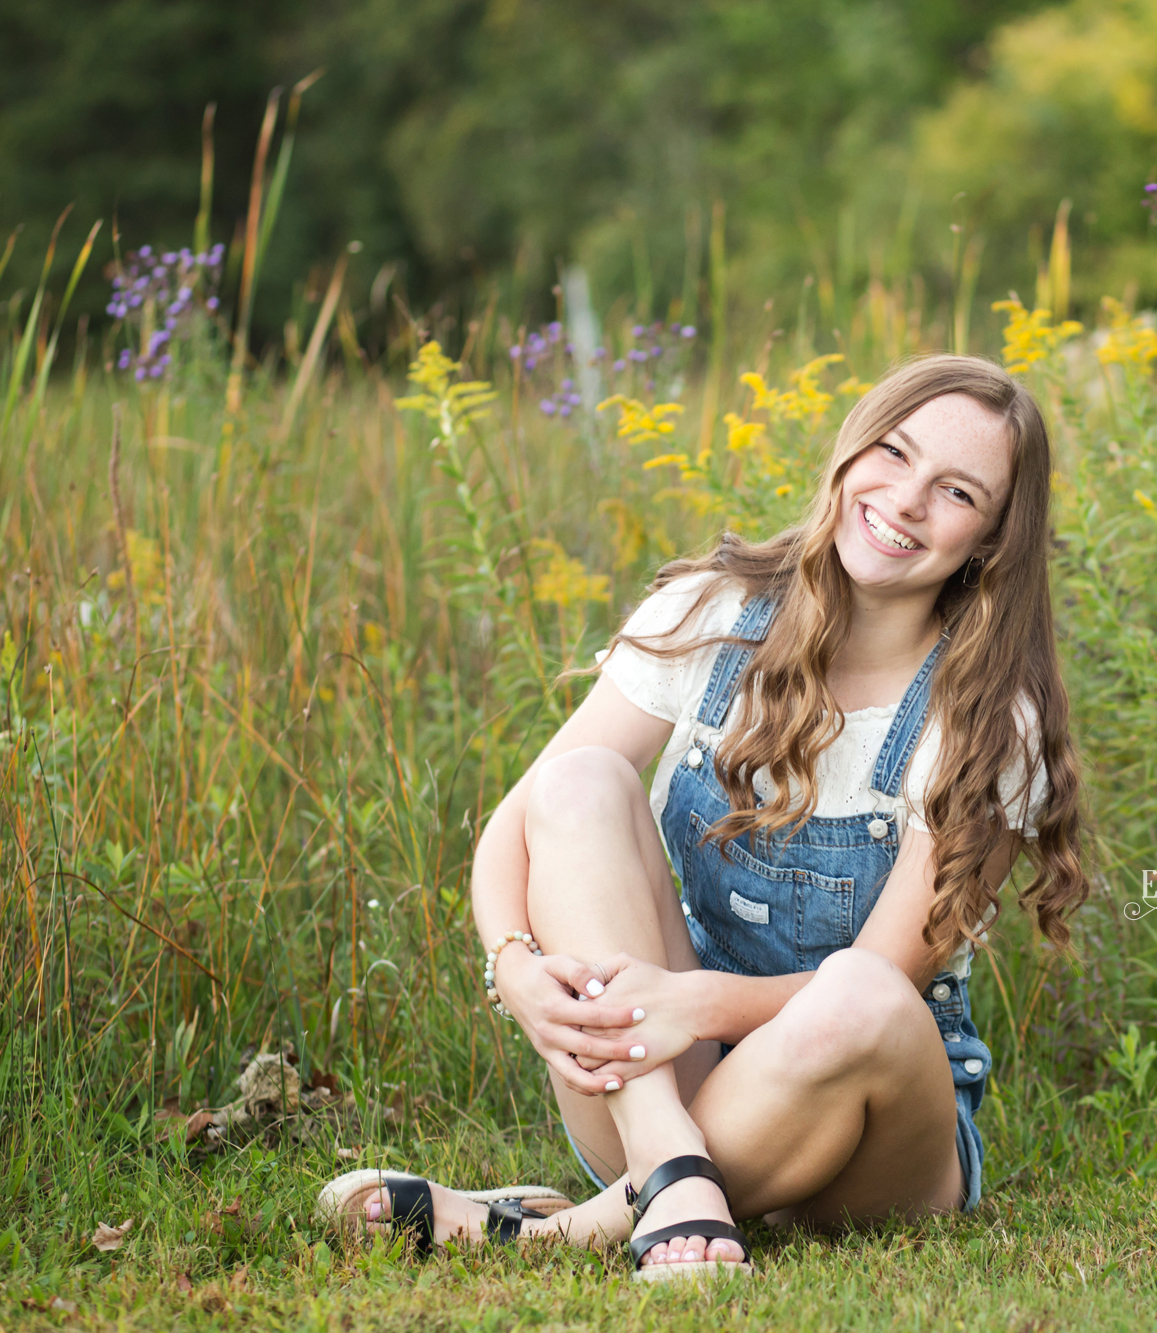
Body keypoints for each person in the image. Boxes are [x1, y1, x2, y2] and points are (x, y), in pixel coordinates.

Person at [320, 353, 1085, 1281]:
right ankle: (668, 1163)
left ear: (992, 539)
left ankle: (555, 1229)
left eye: (956, 490)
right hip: (659, 1076)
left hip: (868, 1129)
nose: (906, 498)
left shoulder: (985, 719)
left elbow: (886, 977)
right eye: (892, 451)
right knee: (579, 784)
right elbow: (516, 827)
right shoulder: (712, 613)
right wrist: (512, 968)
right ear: (849, 453)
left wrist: (694, 1003)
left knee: (864, 993)